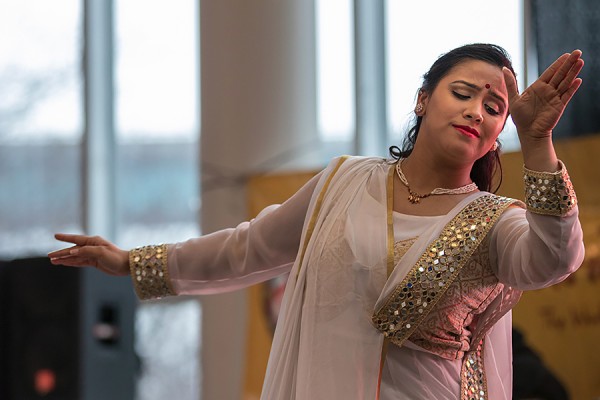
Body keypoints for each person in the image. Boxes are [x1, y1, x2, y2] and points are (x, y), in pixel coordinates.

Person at [49, 43, 585, 399]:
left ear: (498, 135)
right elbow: (247, 249)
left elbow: (553, 259)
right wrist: (131, 262)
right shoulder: (343, 183)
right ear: (424, 99)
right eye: (463, 93)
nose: (476, 111)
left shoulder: (495, 221)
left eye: (494, 108)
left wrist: (537, 142)